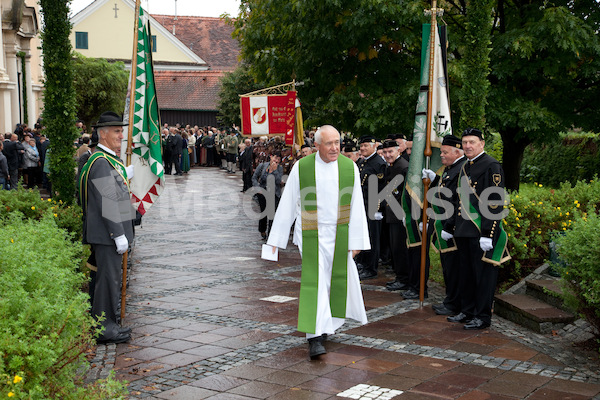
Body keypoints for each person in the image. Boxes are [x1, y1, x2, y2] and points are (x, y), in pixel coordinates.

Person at [265, 125, 370, 359]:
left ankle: (328, 324)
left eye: (337, 143)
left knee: (337, 281)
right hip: (311, 233)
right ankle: (314, 336)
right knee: (316, 281)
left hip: (339, 234)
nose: (335, 148)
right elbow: (289, 202)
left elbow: (357, 205)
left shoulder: (349, 167)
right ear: (317, 146)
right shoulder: (302, 167)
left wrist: (357, 241)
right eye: (329, 143)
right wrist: (276, 240)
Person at [442, 128, 510, 330]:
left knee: (483, 277)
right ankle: (468, 310)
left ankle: (482, 316)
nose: (468, 146)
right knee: (466, 274)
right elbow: (457, 200)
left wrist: (488, 234)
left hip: (481, 232)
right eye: (465, 143)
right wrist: (449, 225)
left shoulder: (491, 165)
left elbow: (495, 202)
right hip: (463, 230)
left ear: (482, 143)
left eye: (472, 142)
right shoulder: (465, 166)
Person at [78, 111, 134, 344]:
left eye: (122, 131)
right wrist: (118, 233)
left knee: (106, 279)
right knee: (107, 281)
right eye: (117, 131)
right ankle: (104, 328)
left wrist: (123, 177)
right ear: (103, 134)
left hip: (104, 232)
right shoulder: (101, 162)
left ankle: (105, 323)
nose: (122, 136)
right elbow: (108, 200)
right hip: (107, 233)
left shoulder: (104, 159)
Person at [422, 135, 465, 315]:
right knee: (447, 266)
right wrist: (435, 180)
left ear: (457, 152)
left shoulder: (460, 169)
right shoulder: (450, 169)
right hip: (443, 224)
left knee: (454, 268)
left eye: (445, 152)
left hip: (452, 227)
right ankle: (450, 300)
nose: (441, 156)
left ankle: (454, 303)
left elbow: (456, 201)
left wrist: (449, 226)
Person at [380, 140, 410, 291]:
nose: (387, 155)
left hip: (400, 214)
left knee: (400, 249)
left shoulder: (402, 167)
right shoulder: (391, 166)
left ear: (398, 151)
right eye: (385, 152)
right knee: (395, 248)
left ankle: (404, 279)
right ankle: (400, 277)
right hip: (391, 213)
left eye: (390, 151)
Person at [355, 136, 386, 280]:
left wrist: (379, 208)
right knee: (363, 235)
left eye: (366, 146)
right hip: (363, 204)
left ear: (374, 146)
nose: (362, 148)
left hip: (373, 205)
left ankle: (371, 268)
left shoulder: (379, 163)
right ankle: (363, 262)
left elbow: (382, 188)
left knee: (373, 238)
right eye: (361, 146)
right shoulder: (363, 162)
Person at [252, 151, 283, 240]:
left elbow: (278, 181)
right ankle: (262, 230)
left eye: (278, 160)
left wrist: (275, 170)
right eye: (275, 158)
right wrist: (257, 188)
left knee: (272, 215)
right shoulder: (262, 166)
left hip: (273, 194)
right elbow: (254, 177)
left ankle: (271, 235)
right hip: (262, 193)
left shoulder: (279, 168)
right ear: (271, 157)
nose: (276, 161)